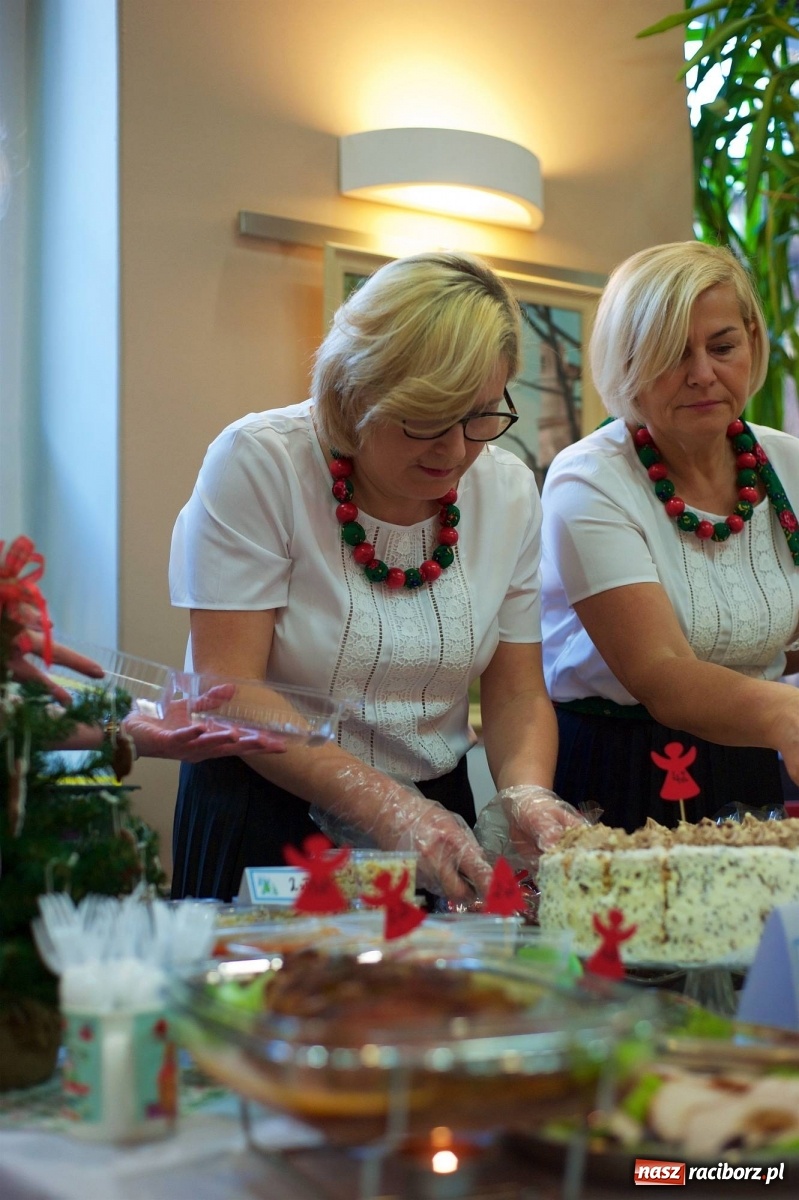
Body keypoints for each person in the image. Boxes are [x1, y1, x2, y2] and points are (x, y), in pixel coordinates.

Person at [169, 251, 577, 904]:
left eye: (478, 416)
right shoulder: (261, 462)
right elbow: (228, 687)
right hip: (268, 810)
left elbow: (516, 695)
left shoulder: (505, 491)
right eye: (424, 419)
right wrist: (381, 804)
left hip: (435, 821)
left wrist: (524, 791)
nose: (454, 450)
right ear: (353, 391)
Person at [540, 240, 799, 832]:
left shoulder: (789, 463)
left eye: (723, 346)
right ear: (626, 362)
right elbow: (661, 675)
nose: (703, 374)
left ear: (753, 343)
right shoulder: (591, 478)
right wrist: (787, 710)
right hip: (621, 768)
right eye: (672, 354)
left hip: (753, 756)